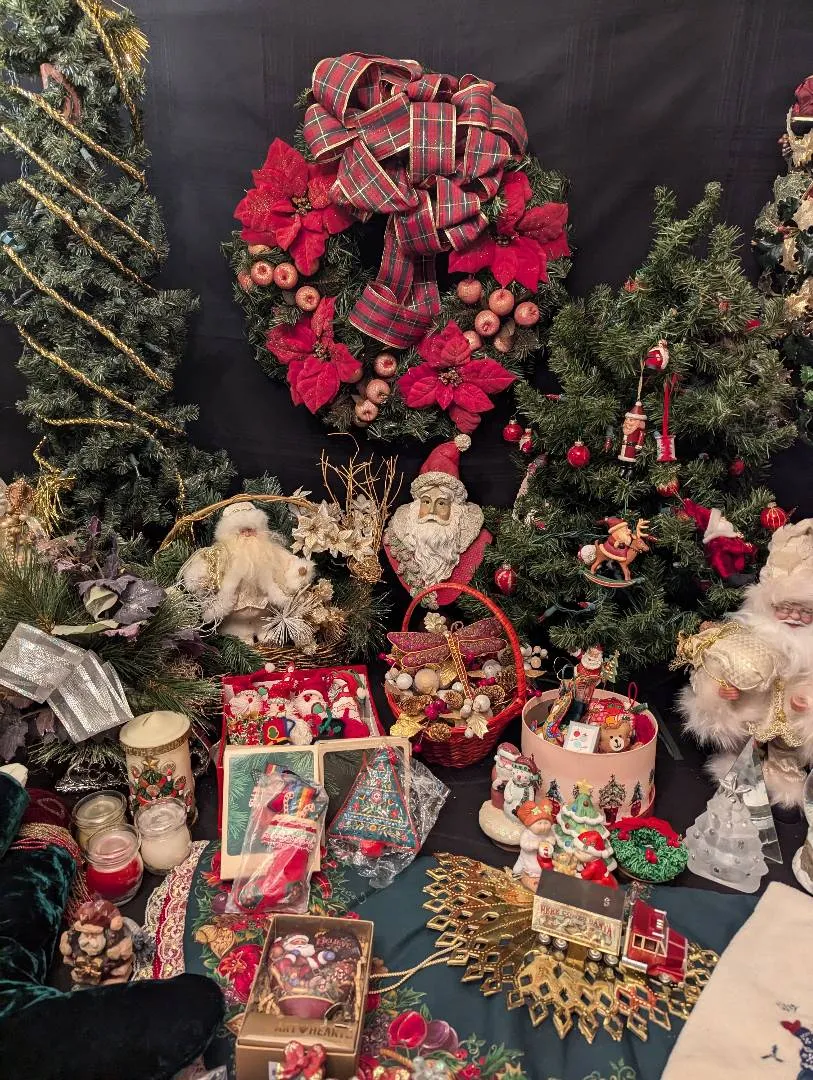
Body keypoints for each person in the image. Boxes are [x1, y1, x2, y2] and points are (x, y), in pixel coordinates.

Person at [676, 519, 813, 809]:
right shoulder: (750, 633)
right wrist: (723, 690)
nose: (793, 617)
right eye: (785, 608)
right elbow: (724, 664)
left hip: (791, 718)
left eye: (804, 612)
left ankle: (783, 777)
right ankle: (742, 772)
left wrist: (807, 700)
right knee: (748, 743)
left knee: (786, 749)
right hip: (756, 709)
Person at [384, 435, 490, 605]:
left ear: (455, 509)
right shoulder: (393, 541)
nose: (432, 511)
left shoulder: (480, 540)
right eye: (426, 502)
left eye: (441, 503)